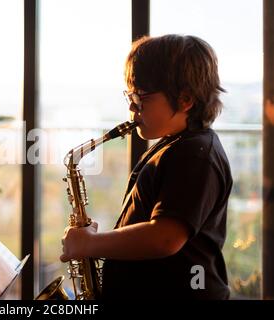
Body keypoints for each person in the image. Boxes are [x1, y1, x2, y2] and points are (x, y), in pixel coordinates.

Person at [60, 34, 233, 300]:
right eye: (130, 94)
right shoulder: (172, 146)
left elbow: (165, 237)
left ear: (185, 99)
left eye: (142, 96)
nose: (131, 105)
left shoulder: (195, 154)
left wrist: (91, 243)